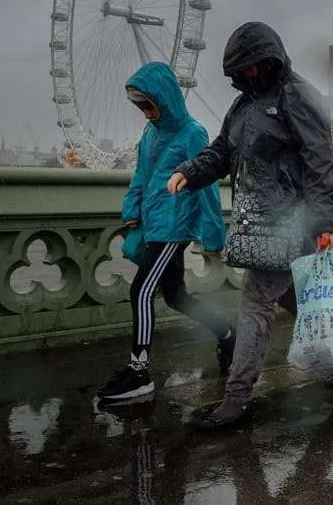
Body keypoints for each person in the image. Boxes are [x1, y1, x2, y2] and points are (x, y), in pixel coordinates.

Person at [167, 21, 333, 429]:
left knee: (255, 303)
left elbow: (321, 163)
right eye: (240, 70)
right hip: (256, 219)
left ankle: (236, 397)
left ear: (269, 60)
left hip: (290, 222)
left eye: (252, 67)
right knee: (286, 297)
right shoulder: (242, 107)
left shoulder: (299, 98)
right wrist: (190, 173)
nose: (246, 75)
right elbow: (222, 152)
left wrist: (322, 224)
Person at [97, 62, 232, 402]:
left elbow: (207, 186)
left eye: (148, 105)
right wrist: (132, 214)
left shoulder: (193, 133)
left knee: (140, 291)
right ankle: (228, 333)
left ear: (165, 98)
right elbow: (140, 177)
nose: (145, 113)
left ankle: (139, 372)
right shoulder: (151, 134)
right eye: (139, 107)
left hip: (175, 226)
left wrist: (212, 235)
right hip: (153, 224)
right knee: (176, 297)